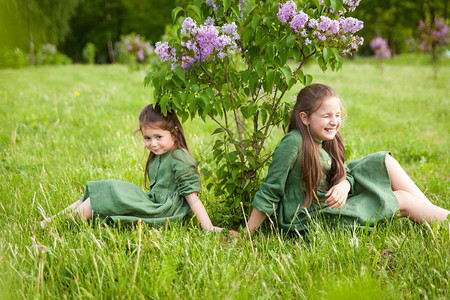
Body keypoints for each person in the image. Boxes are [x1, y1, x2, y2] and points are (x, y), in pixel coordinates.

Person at [246, 83, 449, 235]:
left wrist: (344, 186)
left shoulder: (325, 139)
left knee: (384, 161)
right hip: (311, 218)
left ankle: (432, 215)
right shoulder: (293, 143)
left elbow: (344, 173)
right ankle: (439, 220)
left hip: (331, 200)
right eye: (326, 116)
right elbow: (270, 190)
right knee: (402, 198)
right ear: (305, 118)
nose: (334, 122)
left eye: (337, 115)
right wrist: (247, 235)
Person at [41, 103, 226, 233]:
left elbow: (192, 198)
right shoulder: (161, 154)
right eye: (147, 138)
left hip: (164, 210)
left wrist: (207, 227)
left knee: (111, 191)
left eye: (158, 137)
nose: (152, 143)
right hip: (154, 201)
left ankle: (61, 226)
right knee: (104, 188)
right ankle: (53, 221)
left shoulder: (180, 158)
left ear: (174, 131)